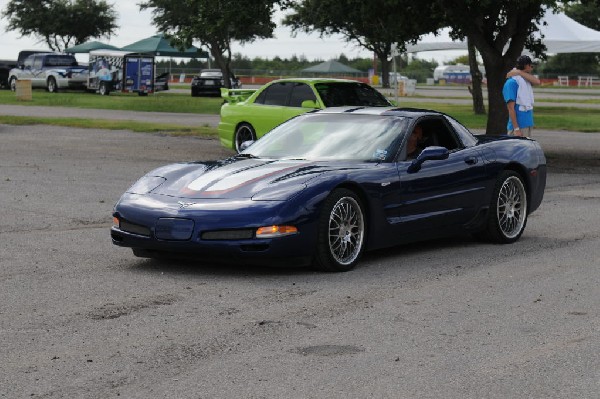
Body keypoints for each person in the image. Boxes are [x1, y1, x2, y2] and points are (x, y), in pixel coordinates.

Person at [503, 55, 541, 137]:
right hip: (518, 127)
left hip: (527, 124)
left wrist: (519, 72)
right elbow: (510, 108)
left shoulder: (525, 80)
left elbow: (537, 82)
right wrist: (516, 129)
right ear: (527, 65)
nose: (532, 68)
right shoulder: (511, 83)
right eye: (531, 66)